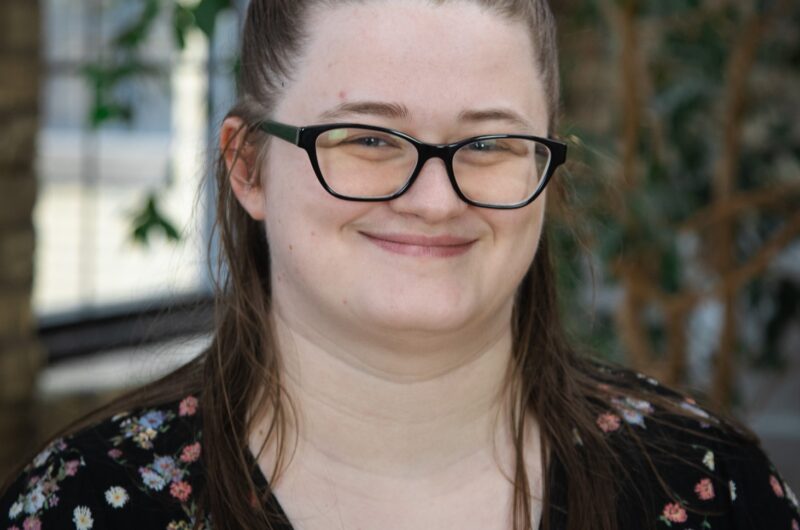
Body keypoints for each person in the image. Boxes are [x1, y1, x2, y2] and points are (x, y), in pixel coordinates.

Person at [2, 1, 798, 529]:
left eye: (487, 144)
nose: (432, 198)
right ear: (248, 166)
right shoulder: (83, 505)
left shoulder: (707, 490)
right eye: (369, 139)